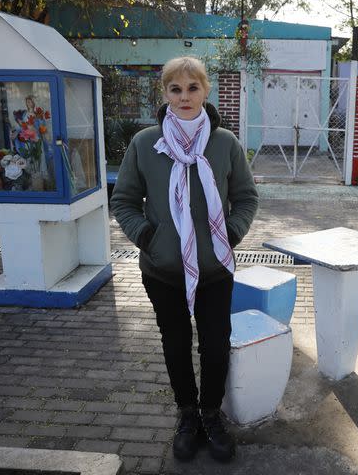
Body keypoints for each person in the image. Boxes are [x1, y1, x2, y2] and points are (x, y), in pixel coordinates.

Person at [110, 56, 259, 463]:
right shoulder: (145, 144)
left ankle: (211, 415)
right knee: (175, 345)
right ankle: (187, 415)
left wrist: (227, 234)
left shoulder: (225, 144)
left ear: (205, 91)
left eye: (193, 88)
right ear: (165, 94)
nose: (185, 96)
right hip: (162, 271)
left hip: (214, 271)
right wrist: (147, 236)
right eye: (176, 89)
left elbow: (245, 197)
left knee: (215, 347)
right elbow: (123, 200)